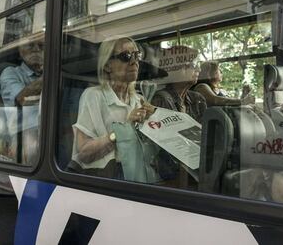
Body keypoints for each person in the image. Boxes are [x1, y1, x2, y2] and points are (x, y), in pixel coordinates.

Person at [71, 36, 155, 179]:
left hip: (138, 172)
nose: (134, 61)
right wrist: (122, 130)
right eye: (126, 56)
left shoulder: (139, 100)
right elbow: (83, 153)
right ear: (107, 65)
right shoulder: (93, 96)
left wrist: (155, 122)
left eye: (137, 55)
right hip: (110, 176)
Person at [151, 47, 206, 187]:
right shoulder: (161, 99)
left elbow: (204, 136)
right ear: (175, 70)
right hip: (173, 173)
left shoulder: (197, 99)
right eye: (192, 65)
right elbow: (167, 147)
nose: (198, 69)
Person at [0, 37, 44, 164]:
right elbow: (23, 97)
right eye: (30, 45)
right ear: (20, 50)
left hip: (52, 133)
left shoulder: (45, 73)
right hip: (25, 136)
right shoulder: (11, 73)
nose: (36, 49)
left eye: (41, 46)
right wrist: (51, 71)